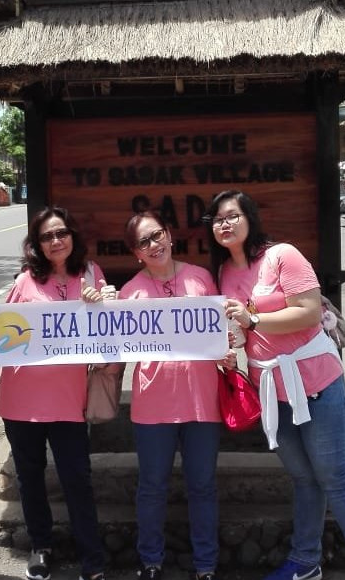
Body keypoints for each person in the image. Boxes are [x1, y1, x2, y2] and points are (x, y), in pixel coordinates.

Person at [206, 190, 345, 580]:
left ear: (250, 218)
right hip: (272, 390)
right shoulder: (225, 272)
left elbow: (306, 313)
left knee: (335, 475)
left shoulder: (282, 255)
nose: (225, 224)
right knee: (303, 478)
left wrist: (254, 322)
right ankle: (306, 562)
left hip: (316, 382)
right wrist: (232, 343)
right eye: (218, 218)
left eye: (233, 215)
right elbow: (242, 330)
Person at [0, 206, 113, 580]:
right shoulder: (25, 281)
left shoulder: (92, 275)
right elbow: (1, 334)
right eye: (46, 236)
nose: (55, 241)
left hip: (70, 399)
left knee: (76, 477)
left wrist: (104, 305)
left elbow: (113, 331)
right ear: (37, 244)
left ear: (72, 236)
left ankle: (92, 557)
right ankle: (40, 546)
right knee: (30, 476)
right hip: (22, 398)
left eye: (60, 233)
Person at [119, 210, 235, 580]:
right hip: (153, 405)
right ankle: (150, 561)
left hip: (203, 402)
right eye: (143, 242)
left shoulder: (201, 278)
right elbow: (113, 344)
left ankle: (206, 565)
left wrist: (228, 350)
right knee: (152, 487)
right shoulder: (128, 293)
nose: (153, 245)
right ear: (135, 253)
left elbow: (222, 331)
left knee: (202, 486)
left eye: (157, 236)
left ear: (170, 235)